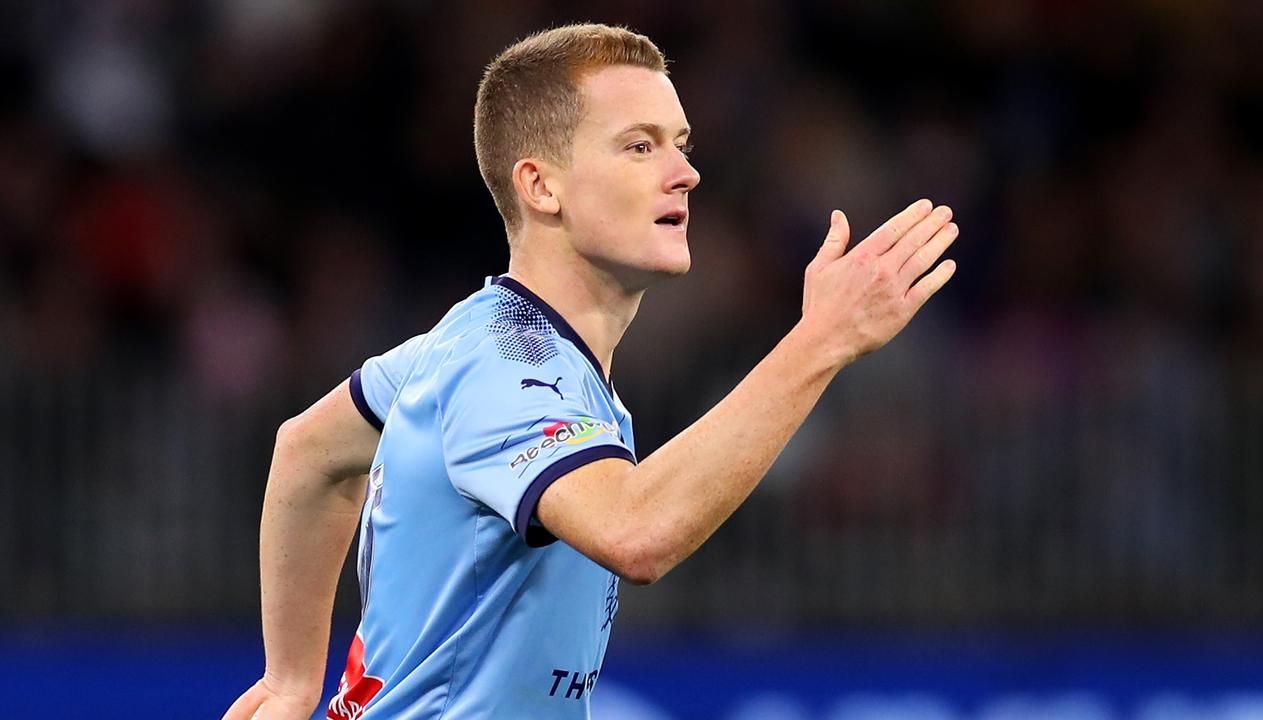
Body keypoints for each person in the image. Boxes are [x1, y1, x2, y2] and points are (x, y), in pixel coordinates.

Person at [222, 22, 958, 720]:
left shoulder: (480, 343)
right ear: (542, 187)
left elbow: (309, 452)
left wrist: (289, 681)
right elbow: (637, 532)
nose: (687, 173)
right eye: (640, 147)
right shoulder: (508, 366)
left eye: (682, 144)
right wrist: (821, 341)